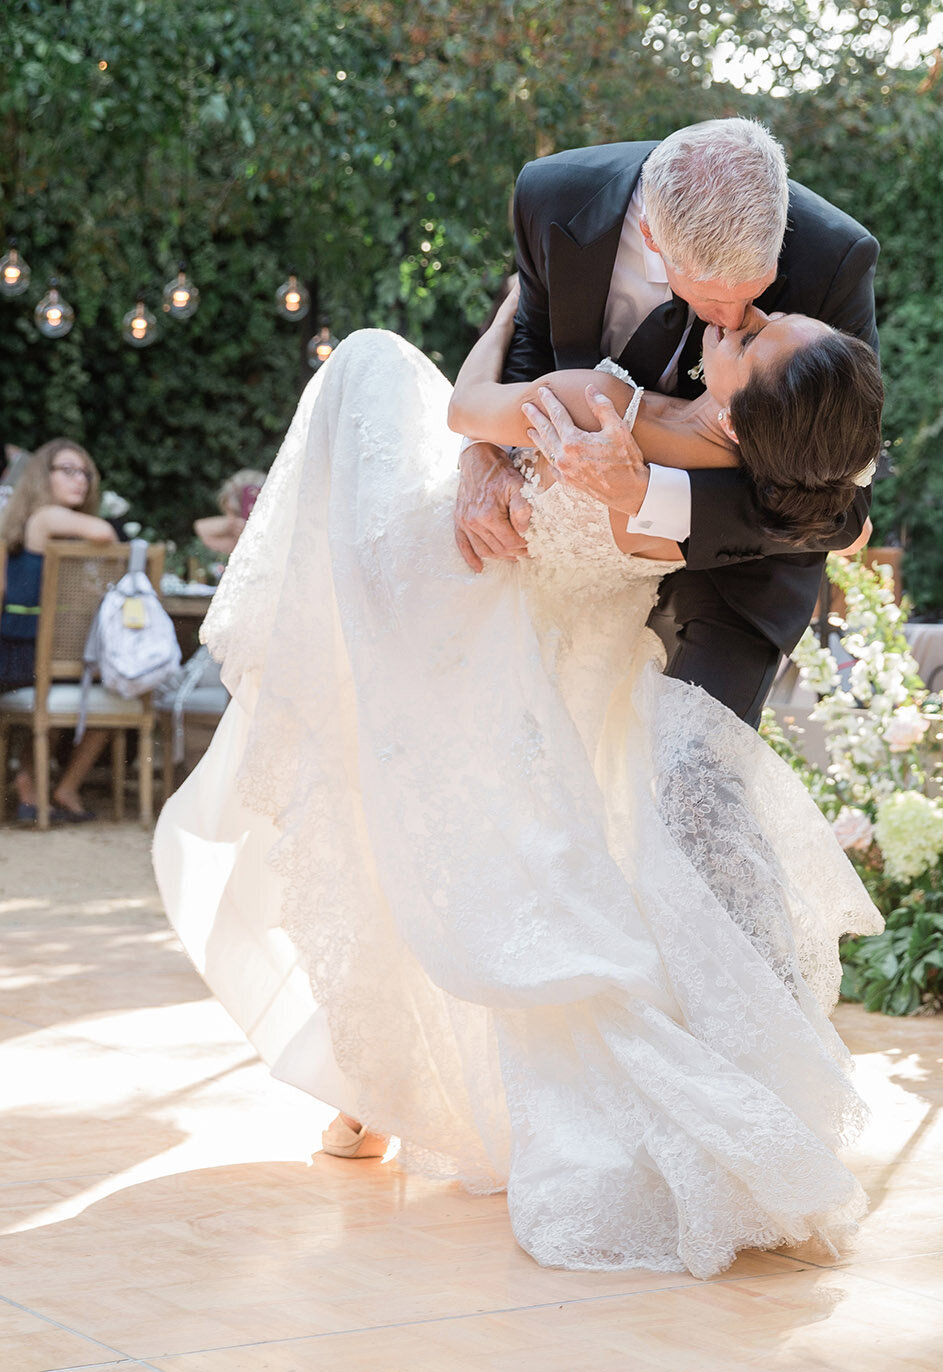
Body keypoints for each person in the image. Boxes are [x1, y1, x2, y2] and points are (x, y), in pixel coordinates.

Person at [154, 286, 885, 1280]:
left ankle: (374, 1092)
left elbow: (466, 408)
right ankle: (376, 1091)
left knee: (368, 360)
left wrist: (507, 312)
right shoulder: (739, 478)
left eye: (752, 339)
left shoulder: (606, 405)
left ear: (731, 403)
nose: (739, 318)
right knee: (459, 857)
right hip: (564, 651)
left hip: (456, 591)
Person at [455, 117, 879, 726]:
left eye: (758, 294)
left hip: (742, 571)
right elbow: (531, 347)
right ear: (652, 236)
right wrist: (483, 450)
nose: (735, 318)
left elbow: (845, 511)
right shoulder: (553, 195)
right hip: (539, 546)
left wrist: (649, 495)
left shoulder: (835, 255)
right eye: (713, 297)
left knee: (688, 784)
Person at [0, 439, 117, 823]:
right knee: (117, 687)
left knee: (110, 688)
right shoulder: (46, 518)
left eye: (84, 472)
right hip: (22, 654)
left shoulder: (48, 525)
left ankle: (55, 786)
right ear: (41, 476)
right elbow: (104, 532)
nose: (80, 480)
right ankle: (40, 785)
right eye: (67, 470)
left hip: (36, 655)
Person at [193, 469, 267, 559]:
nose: (230, 519)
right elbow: (200, 527)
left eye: (234, 513)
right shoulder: (238, 542)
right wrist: (230, 525)